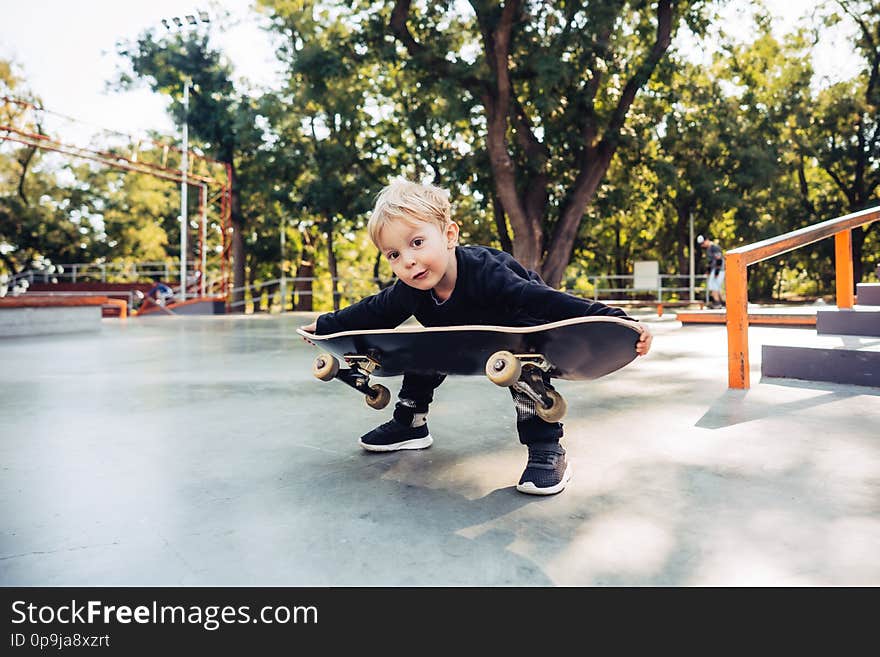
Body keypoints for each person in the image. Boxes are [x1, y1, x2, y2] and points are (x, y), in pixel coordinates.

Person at [301, 179, 652, 496]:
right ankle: (411, 424)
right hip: (459, 339)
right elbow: (373, 311)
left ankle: (546, 448)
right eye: (394, 254)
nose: (408, 261)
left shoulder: (488, 272)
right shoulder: (410, 288)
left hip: (518, 332)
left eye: (417, 243)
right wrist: (327, 324)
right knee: (421, 348)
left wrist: (614, 319)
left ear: (450, 236)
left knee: (524, 374)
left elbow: (544, 300)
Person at [697, 234, 725, 308]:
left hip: (719, 270)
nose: (702, 246)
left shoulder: (714, 247)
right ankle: (722, 303)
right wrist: (708, 271)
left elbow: (719, 259)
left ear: (707, 240)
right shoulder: (709, 248)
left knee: (714, 286)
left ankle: (717, 303)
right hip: (715, 270)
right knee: (716, 287)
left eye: (703, 243)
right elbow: (710, 262)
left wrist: (716, 272)